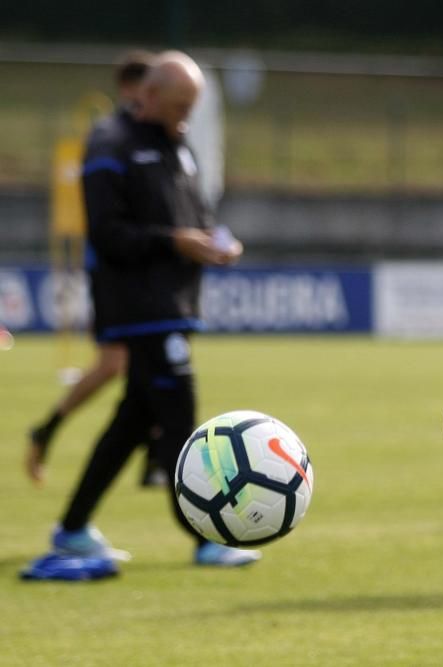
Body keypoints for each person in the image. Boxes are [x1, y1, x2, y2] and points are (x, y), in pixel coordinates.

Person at [28, 51, 260, 574]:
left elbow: (196, 215)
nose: (184, 118)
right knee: (179, 412)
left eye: (190, 109)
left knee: (133, 421)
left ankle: (71, 529)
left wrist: (216, 242)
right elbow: (108, 235)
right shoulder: (109, 147)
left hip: (172, 304)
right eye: (178, 106)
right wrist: (175, 242)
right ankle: (205, 536)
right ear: (148, 95)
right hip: (136, 308)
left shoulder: (176, 145)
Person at [26, 49, 169, 490]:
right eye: (149, 88)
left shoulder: (151, 136)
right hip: (115, 273)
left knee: (147, 364)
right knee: (115, 366)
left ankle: (154, 456)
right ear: (132, 89)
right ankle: (50, 427)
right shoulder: (112, 138)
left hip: (145, 271)